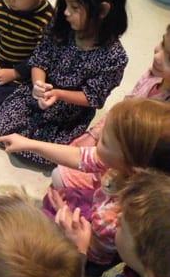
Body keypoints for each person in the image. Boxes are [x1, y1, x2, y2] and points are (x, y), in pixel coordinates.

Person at [0, 98, 170, 269]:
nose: (96, 141)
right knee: (57, 192)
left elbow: (91, 245)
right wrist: (29, 144)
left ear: (133, 166)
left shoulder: (112, 219)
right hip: (95, 212)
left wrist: (67, 215)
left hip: (90, 251)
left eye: (104, 142)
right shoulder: (121, 165)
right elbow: (80, 157)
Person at [0, 0, 129, 167]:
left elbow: (93, 96)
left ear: (102, 11)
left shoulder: (114, 57)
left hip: (69, 110)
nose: (65, 12)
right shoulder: (61, 25)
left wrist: (58, 94)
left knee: (49, 155)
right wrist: (39, 85)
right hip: (40, 94)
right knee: (1, 129)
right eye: (65, 4)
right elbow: (40, 58)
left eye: (74, 7)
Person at [54, 23, 170, 191]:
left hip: (125, 168)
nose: (158, 56)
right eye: (162, 44)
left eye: (169, 57)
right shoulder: (153, 75)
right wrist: (94, 135)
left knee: (60, 175)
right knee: (62, 160)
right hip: (113, 144)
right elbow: (124, 108)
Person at [64, 170, 170, 277]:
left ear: (152, 274)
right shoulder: (156, 267)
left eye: (121, 225)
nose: (117, 217)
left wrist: (78, 252)